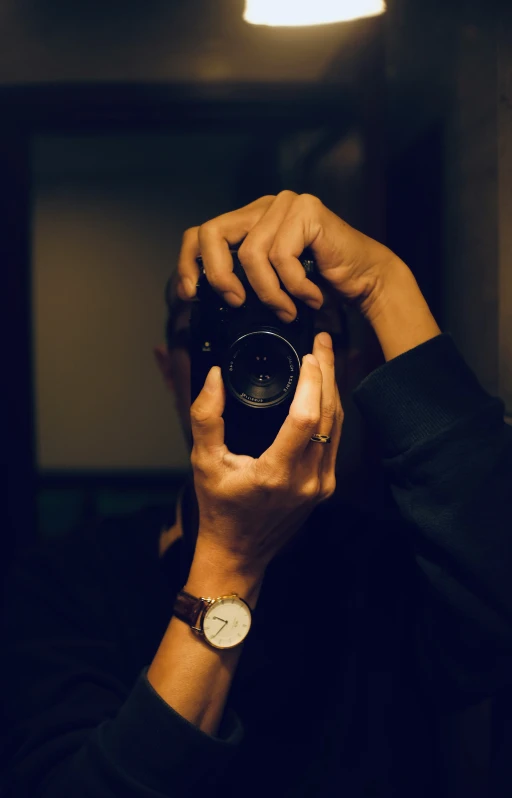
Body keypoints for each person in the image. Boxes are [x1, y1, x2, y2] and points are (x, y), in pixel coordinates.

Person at [2, 190, 512, 798]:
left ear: (344, 368)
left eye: (295, 329)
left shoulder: (395, 562)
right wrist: (231, 562)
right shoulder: (60, 583)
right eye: (217, 331)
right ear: (173, 368)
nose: (259, 359)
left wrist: (383, 283)